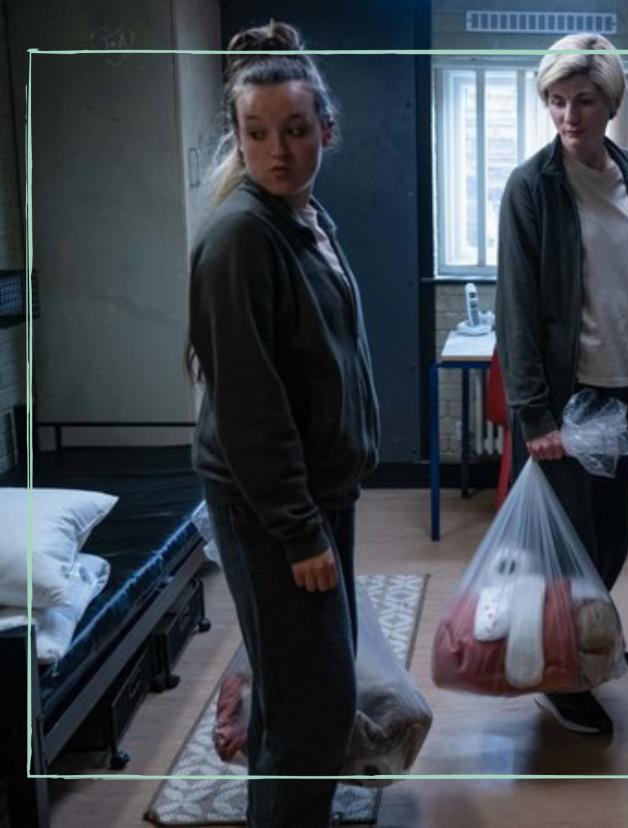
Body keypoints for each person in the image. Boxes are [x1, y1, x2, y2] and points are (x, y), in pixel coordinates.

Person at [187, 21, 380, 827]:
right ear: (237, 136)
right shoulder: (242, 238)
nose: (278, 150)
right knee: (315, 710)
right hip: (275, 506)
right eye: (257, 133)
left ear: (324, 130)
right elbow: (249, 405)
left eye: (296, 130)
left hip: (317, 488)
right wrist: (300, 532)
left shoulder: (305, 217)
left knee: (297, 689)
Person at [496, 32, 628, 736]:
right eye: (556, 101)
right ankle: (562, 676)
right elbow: (514, 304)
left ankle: (581, 642)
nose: (568, 114)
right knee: (568, 550)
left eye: (583, 101)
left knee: (610, 541)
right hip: (565, 397)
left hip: (624, 388)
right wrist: (533, 414)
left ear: (611, 104)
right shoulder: (532, 187)